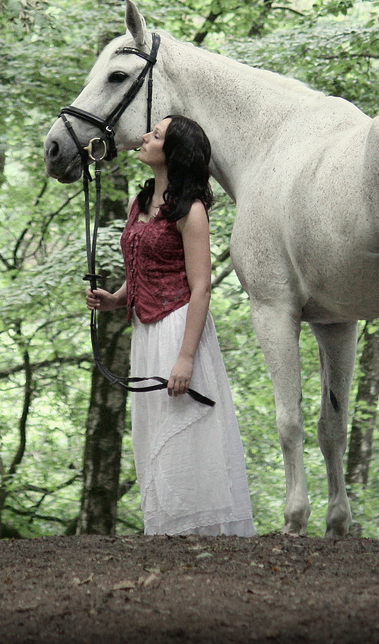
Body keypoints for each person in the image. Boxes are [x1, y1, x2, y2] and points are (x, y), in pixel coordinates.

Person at [86, 114, 256, 537]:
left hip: (180, 328)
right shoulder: (140, 202)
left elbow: (200, 289)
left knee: (184, 430)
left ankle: (199, 532)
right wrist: (116, 299)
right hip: (146, 331)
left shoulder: (192, 210)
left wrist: (185, 359)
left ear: (173, 154)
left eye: (156, 135)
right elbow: (145, 264)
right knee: (152, 429)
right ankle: (165, 530)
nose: (144, 137)